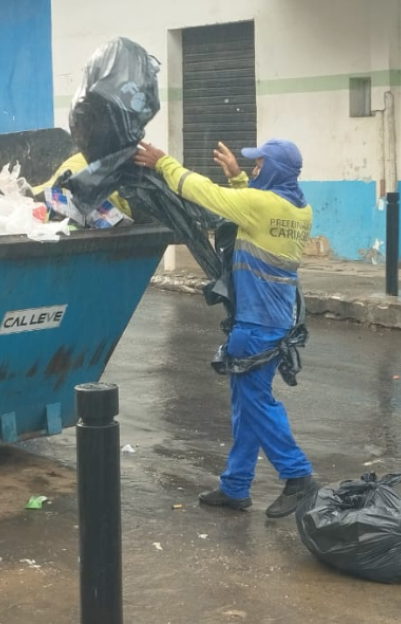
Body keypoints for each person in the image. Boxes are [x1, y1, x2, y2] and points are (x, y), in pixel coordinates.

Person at [133, 138, 317, 518]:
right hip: (276, 321)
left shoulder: (260, 205)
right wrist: (236, 178)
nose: (253, 169)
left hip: (257, 325)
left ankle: (298, 476)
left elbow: (202, 192)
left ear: (275, 170)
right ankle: (235, 486)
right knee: (245, 404)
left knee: (256, 403)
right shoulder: (298, 209)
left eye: (259, 164)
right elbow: (253, 208)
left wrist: (163, 163)